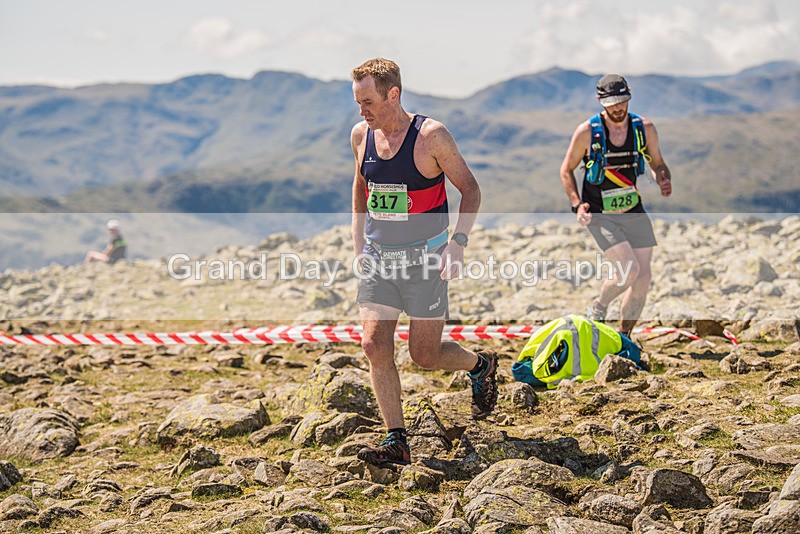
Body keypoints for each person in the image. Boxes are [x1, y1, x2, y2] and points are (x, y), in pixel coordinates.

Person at [350, 58, 498, 467]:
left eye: (367, 101)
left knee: (424, 355)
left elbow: (470, 189)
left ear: (392, 95)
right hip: (380, 260)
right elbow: (361, 187)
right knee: (373, 343)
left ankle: (481, 365)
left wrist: (458, 243)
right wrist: (359, 244)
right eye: (357, 101)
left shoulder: (431, 136)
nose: (361, 110)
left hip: (426, 262)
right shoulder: (361, 135)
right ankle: (396, 438)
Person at [559, 74, 672, 337]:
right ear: (600, 101)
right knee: (629, 270)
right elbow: (566, 170)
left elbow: (657, 163)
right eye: (612, 103)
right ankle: (598, 308)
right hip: (601, 214)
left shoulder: (644, 128)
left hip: (633, 209)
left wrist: (662, 179)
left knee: (643, 279)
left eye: (622, 101)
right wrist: (577, 204)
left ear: (630, 96)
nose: (618, 108)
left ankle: (624, 338)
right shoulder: (587, 132)